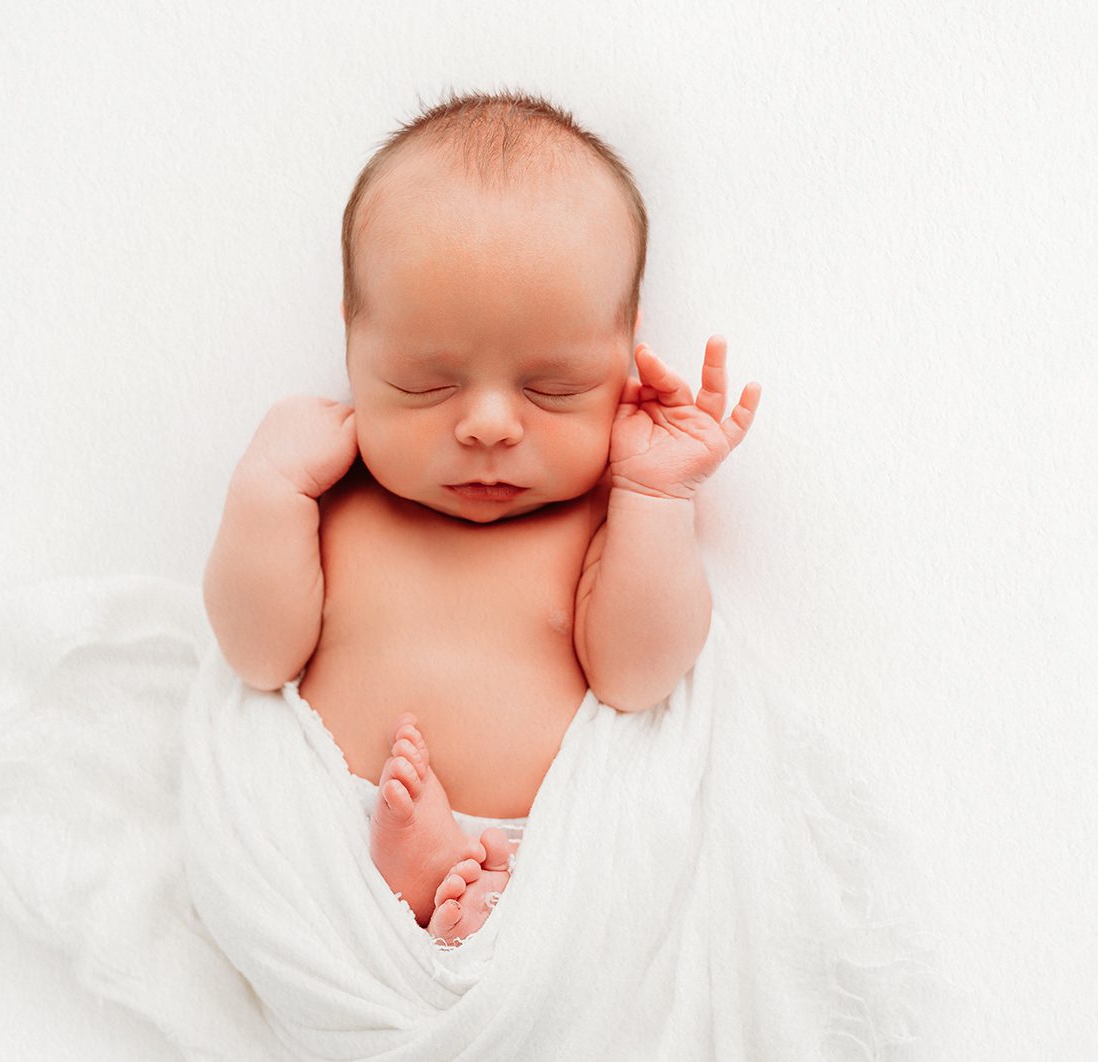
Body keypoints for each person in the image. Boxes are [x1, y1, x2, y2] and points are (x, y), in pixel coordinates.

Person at [202, 90, 761, 945]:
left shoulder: (594, 524)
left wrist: (656, 497)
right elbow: (256, 655)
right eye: (427, 385)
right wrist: (267, 491)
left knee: (571, 918)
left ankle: (475, 903)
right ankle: (415, 887)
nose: (491, 425)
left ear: (624, 349)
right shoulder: (340, 503)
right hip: (329, 848)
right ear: (353, 339)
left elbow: (638, 678)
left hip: (539, 865)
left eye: (553, 388)